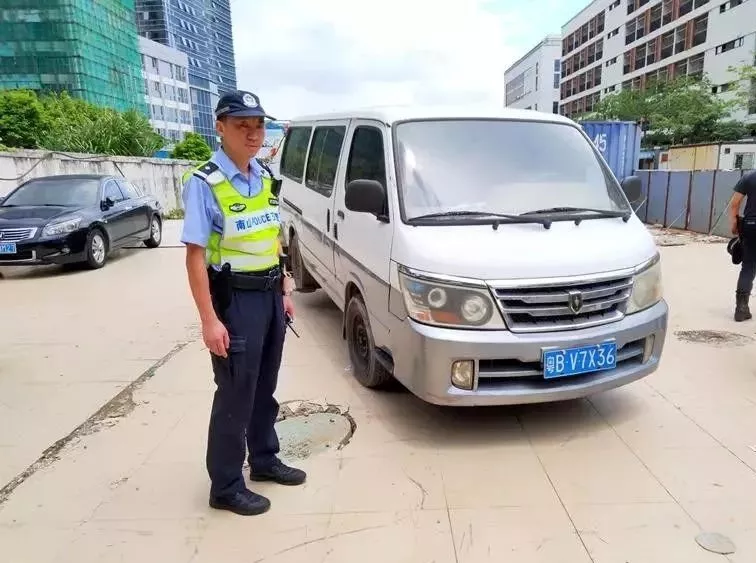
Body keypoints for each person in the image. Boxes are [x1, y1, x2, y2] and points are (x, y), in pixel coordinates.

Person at [180, 90, 306, 516]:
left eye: (258, 125)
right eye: (242, 125)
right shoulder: (205, 183)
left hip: (269, 296)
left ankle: (265, 459)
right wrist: (208, 320)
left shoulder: (263, 176)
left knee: (264, 386)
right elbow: (195, 256)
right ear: (220, 128)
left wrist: (284, 285)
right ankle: (226, 485)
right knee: (236, 391)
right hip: (234, 300)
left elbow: (272, 236)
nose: (253, 134)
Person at [729, 169, 756, 322]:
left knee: (748, 267)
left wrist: (734, 225)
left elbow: (735, 204)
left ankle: (741, 309)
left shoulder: (749, 177)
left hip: (751, 226)